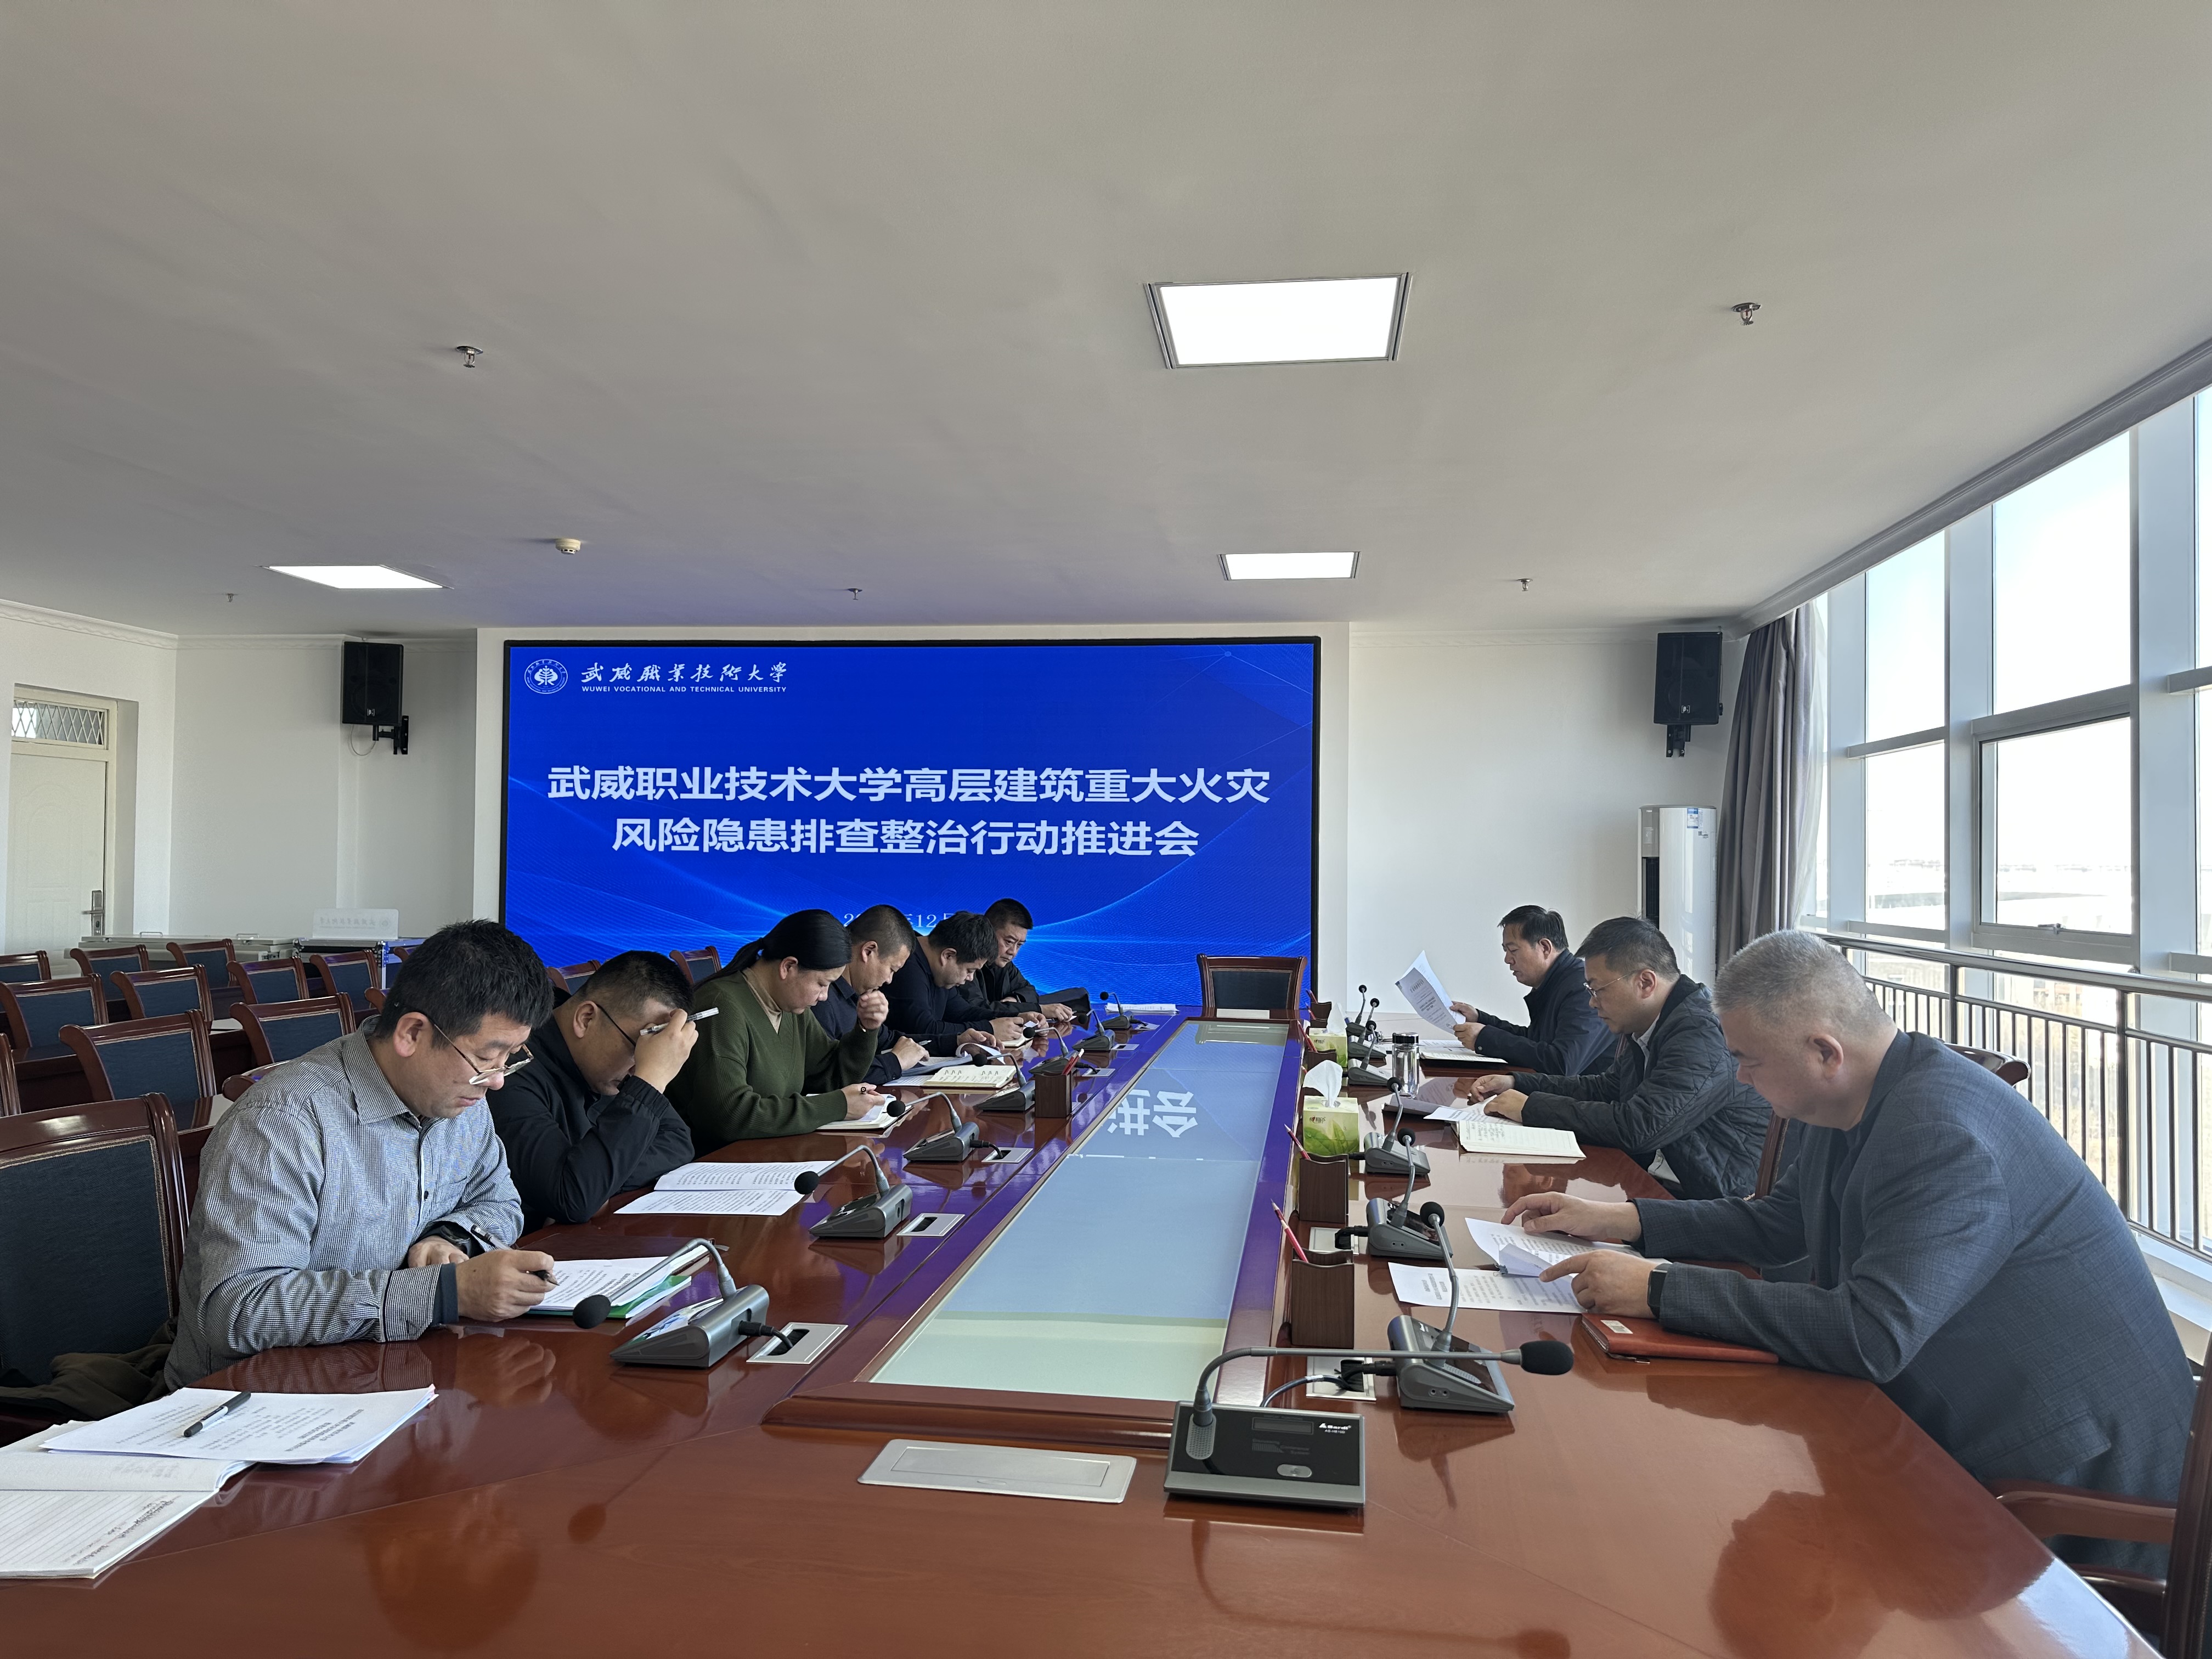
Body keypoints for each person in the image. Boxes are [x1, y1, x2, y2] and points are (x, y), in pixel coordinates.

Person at [1506, 930, 2193, 1568]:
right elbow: (1780, 1223)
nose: (1739, 1080)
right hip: (1948, 1425)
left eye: (1748, 1061)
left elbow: (1872, 1333)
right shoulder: (1859, 1091)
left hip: (2066, 1489)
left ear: (1824, 1052)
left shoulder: (1942, 1132)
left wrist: (1657, 1288)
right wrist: (1618, 1219)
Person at [166, 920, 560, 1388]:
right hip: (256, 1399)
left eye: (510, 1057)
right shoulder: (282, 1121)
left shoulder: (458, 1098)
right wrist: (441, 1294)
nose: (496, 1080)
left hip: (392, 1371)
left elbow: (500, 1203)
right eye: (487, 1058)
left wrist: (451, 1239)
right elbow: (239, 1310)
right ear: (412, 1033)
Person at [1471, 915, 1769, 1200]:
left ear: (1645, 983)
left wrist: (1531, 1108)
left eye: (1598, 989)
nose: (1592, 1002)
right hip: (1661, 1180)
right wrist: (1518, 1083)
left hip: (1711, 1199)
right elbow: (1607, 1088)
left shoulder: (1700, 1032)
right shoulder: (1650, 1023)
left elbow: (1639, 1127)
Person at [489, 951, 700, 1229]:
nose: (640, 1068)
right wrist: (650, 1080)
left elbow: (678, 1141)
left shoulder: (607, 1069)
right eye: (640, 1048)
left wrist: (599, 1181)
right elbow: (573, 1198)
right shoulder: (511, 1070)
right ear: (587, 1018)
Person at [662, 909, 888, 1148]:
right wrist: (838, 1106)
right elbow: (729, 1115)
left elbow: (831, 1077)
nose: (824, 996)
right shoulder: (720, 1007)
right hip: (719, 1161)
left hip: (771, 1152)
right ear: (788, 967)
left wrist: (866, 1029)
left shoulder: (792, 1009)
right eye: (822, 984)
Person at [1447, 904, 1611, 1074]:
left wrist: (1485, 1039)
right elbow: (1535, 1041)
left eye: (1513, 950)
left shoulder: (1582, 987)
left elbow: (1562, 1062)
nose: (1507, 959)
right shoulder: (1555, 981)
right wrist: (1480, 1019)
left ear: (1545, 948)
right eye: (1505, 950)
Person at [814, 904, 929, 1087]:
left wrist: (955, 1041)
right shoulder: (819, 999)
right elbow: (828, 1077)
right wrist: (896, 1061)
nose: (890, 980)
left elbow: (889, 1040)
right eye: (892, 969)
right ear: (868, 951)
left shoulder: (857, 996)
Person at [885, 910, 1023, 1051]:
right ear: (948, 956)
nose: (970, 978)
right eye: (970, 970)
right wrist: (990, 1028)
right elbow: (923, 1030)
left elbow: (963, 1012)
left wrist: (1017, 1017)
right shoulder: (906, 965)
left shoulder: (938, 970)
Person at [947, 899, 1077, 1026]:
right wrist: (1039, 1010)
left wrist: (1015, 1000)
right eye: (1009, 942)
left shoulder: (1004, 963)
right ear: (989, 931)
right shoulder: (966, 960)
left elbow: (1029, 991)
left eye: (1019, 945)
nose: (1013, 952)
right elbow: (975, 1009)